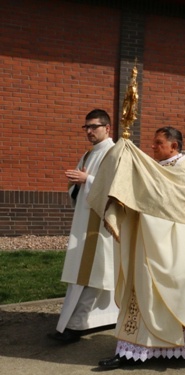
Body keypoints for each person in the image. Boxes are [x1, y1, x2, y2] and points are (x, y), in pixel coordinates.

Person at [90, 126, 185, 369]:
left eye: (158, 143)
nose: (153, 147)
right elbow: (141, 189)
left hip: (172, 243)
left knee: (174, 289)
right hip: (147, 239)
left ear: (174, 146)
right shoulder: (157, 169)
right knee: (143, 287)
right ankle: (134, 348)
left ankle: (181, 345)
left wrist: (133, 156)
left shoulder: (184, 170)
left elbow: (160, 198)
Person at [48, 109, 119, 344]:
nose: (89, 131)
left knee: (94, 274)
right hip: (85, 221)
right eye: (86, 127)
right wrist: (78, 183)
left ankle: (76, 326)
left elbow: (117, 188)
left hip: (103, 223)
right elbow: (75, 187)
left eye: (94, 127)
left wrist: (86, 180)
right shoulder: (89, 155)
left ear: (107, 128)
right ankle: (98, 318)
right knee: (93, 272)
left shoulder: (114, 152)